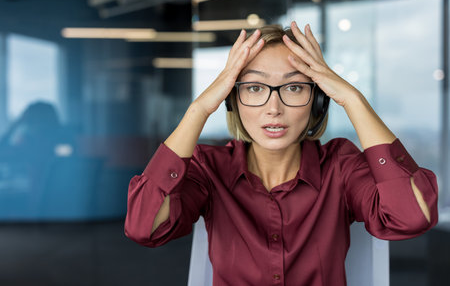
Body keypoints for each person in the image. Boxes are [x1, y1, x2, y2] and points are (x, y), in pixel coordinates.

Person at [124, 22, 438, 286]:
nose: (274, 109)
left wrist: (352, 99)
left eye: (294, 88)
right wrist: (200, 108)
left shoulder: (340, 165)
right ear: (233, 100)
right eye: (255, 88)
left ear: (317, 102)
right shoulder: (209, 168)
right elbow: (143, 227)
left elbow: (411, 217)